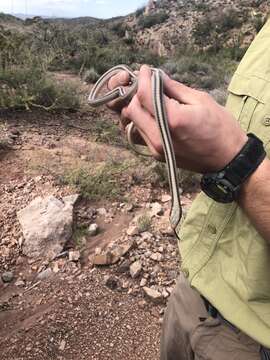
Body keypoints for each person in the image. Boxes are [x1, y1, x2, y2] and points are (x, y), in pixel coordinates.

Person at [107, 18, 270, 360]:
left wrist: (236, 164)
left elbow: (236, 153)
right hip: (193, 289)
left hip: (254, 339)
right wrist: (157, 118)